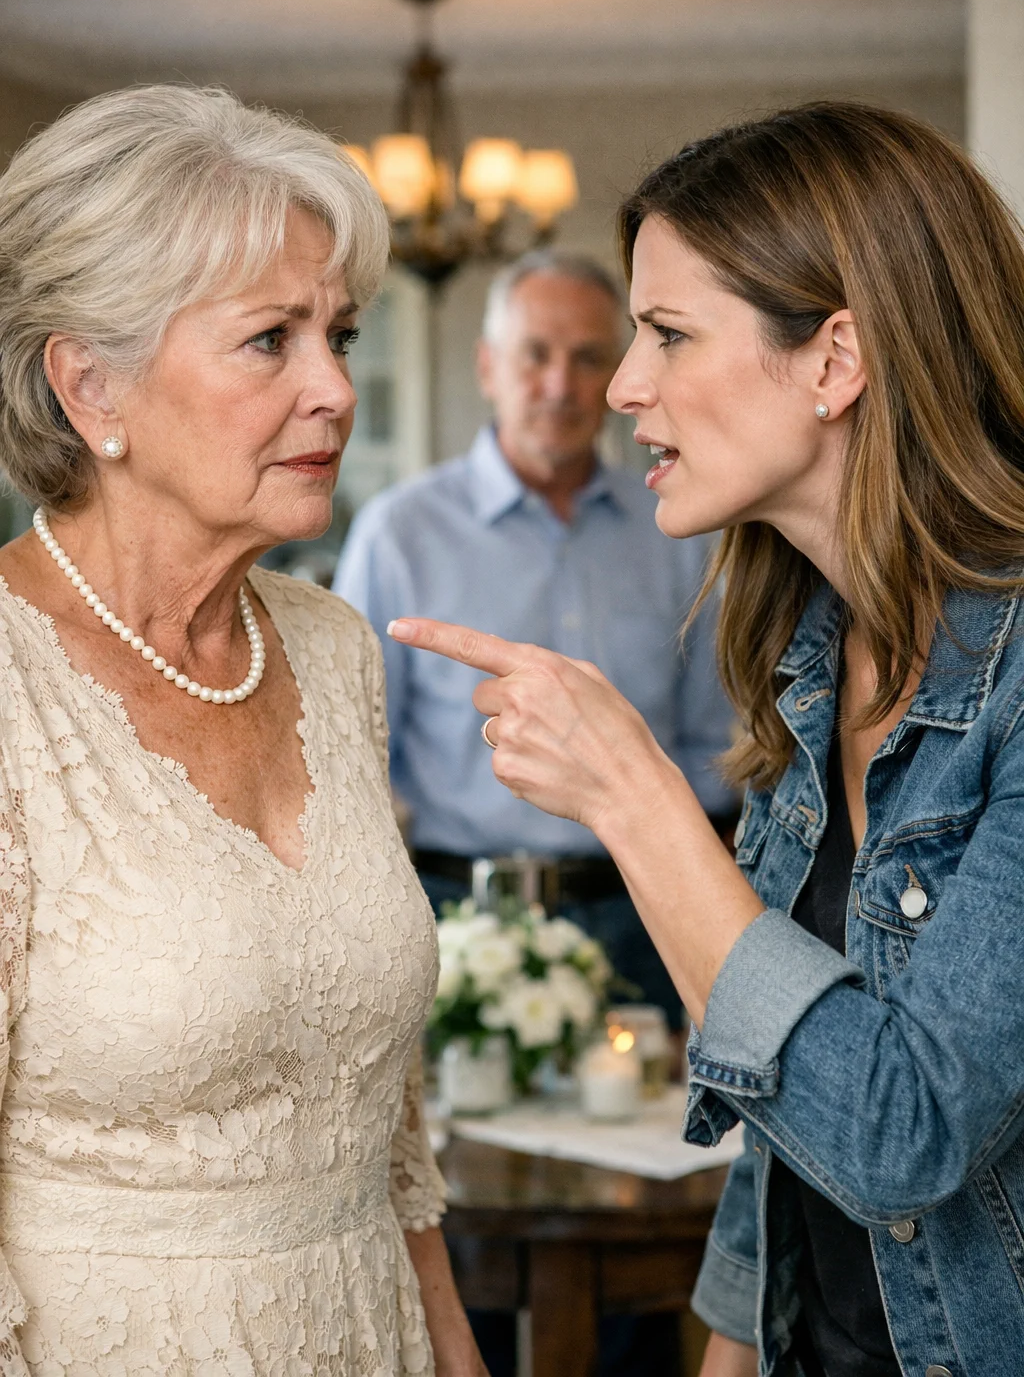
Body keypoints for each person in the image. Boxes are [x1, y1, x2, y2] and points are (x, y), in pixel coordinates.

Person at [388, 101, 1024, 1377]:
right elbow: (778, 1088)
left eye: (667, 333)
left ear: (835, 361)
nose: (621, 385)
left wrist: (632, 798)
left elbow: (900, 1131)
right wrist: (730, 1346)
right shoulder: (811, 652)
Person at [0, 85, 486, 1376]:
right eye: (270, 339)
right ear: (89, 384)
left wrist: (451, 1347)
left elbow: (385, 1121)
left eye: (340, 334)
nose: (335, 389)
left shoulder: (329, 647)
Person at [335, 249, 736, 1025]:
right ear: (488, 366)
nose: (560, 384)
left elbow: (714, 747)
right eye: (535, 354)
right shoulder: (400, 533)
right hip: (459, 920)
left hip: (644, 919)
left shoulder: (682, 529)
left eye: (588, 358)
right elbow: (351, 756)